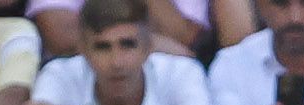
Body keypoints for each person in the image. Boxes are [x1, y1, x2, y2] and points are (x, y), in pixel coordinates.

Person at [17, 0, 209, 105]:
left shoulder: (182, 71)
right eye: (102, 47)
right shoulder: (59, 73)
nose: (116, 62)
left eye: (127, 45)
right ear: (83, 50)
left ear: (149, 47)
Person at [30, 0, 209, 59]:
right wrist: (146, 43)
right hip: (81, 76)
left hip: (163, 78)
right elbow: (62, 39)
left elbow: (184, 40)